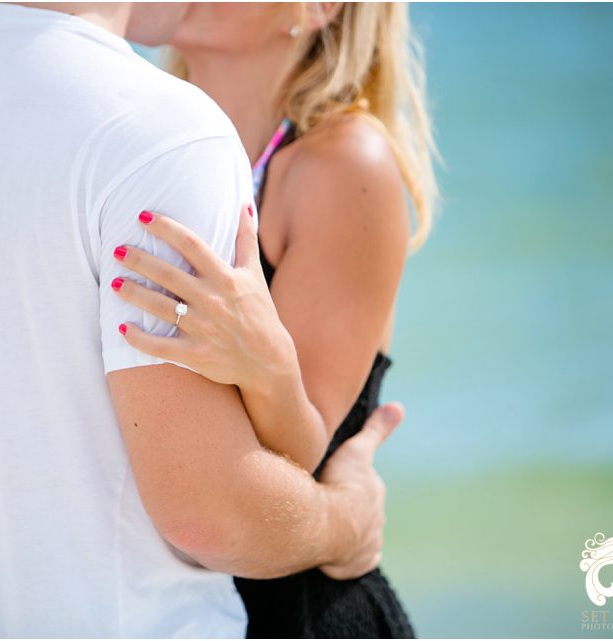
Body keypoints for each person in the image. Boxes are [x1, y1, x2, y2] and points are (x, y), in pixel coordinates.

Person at [0, 2, 404, 637]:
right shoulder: (151, 129)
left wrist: (337, 509)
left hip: (295, 612)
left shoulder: (334, 163)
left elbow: (289, 467)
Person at [109, 2, 439, 638]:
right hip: (171, 606)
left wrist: (269, 366)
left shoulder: (343, 163)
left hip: (298, 613)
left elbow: (302, 452)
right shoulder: (147, 148)